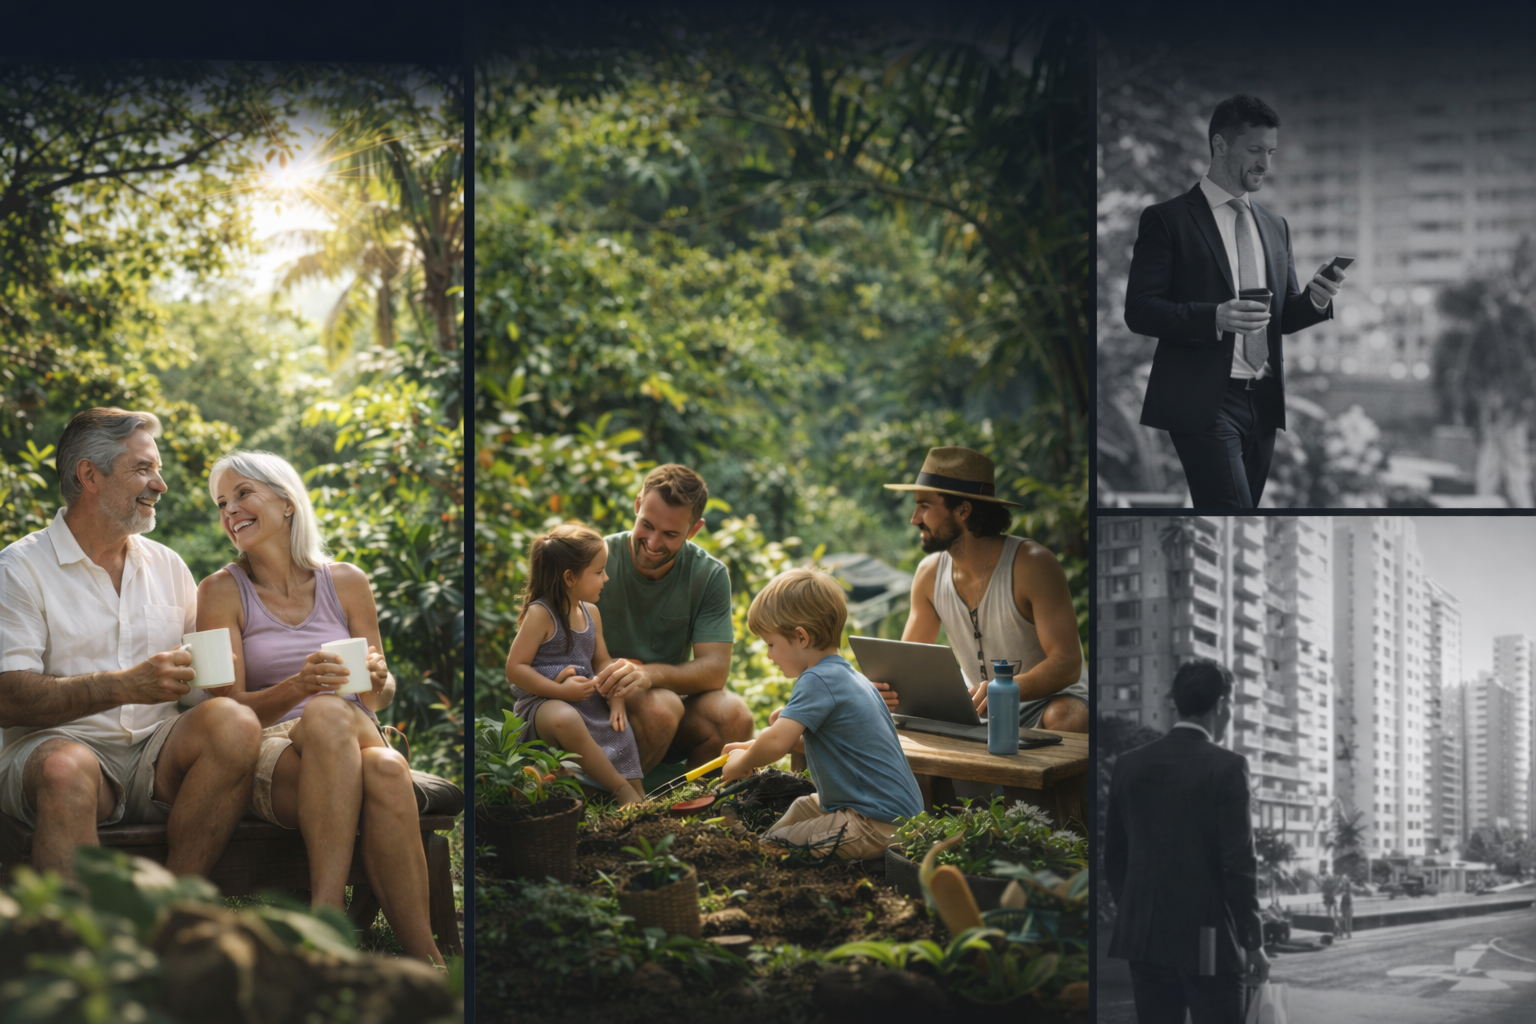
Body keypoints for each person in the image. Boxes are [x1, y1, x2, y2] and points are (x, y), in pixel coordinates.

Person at [194, 450, 443, 965]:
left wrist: (380, 679)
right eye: (221, 503)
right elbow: (228, 712)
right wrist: (298, 687)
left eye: (243, 494)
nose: (230, 510)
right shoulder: (219, 591)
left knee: (342, 724)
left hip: (352, 729)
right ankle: (347, 931)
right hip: (272, 748)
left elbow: (376, 696)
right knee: (377, 759)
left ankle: (408, 956)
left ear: (287, 503)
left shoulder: (346, 581)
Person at [0, 409, 261, 879]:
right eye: (143, 469)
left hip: (156, 756)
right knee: (65, 769)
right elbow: (8, 698)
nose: (160, 484)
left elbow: (204, 691)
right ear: (89, 476)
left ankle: (174, 905)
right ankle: (75, 926)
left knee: (234, 723)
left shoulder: (168, 565)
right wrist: (125, 685)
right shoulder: (18, 569)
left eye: (157, 470)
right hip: (57, 748)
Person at [1124, 94, 1345, 508]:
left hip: (1263, 402)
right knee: (1233, 514)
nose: (1265, 164)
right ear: (1220, 144)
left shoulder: (1276, 226)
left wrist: (1315, 302)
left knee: (1235, 523)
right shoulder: (1168, 219)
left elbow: (1282, 317)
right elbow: (1139, 310)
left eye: (1271, 152)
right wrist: (1215, 317)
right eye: (1255, 150)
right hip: (1203, 401)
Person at [873, 447, 1088, 733]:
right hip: (979, 711)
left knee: (1069, 716)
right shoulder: (929, 575)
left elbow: (1067, 663)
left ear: (963, 510)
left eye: (924, 506)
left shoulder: (1033, 564)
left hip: (1047, 704)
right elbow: (907, 666)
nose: (914, 519)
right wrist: (885, 688)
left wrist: (1005, 688)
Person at [1106, 659, 1268, 1024]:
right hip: (1208, 942)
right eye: (1232, 704)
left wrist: (1136, 912)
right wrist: (1253, 944)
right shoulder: (1228, 767)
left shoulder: (1128, 764)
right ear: (1221, 704)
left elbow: (1115, 857)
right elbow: (1238, 865)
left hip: (1143, 938)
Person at [721, 568, 922, 860]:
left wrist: (742, 763)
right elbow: (812, 742)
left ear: (801, 637)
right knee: (804, 806)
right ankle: (767, 841)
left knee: (772, 852)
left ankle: (769, 849)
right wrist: (753, 747)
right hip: (892, 815)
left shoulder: (817, 680)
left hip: (873, 823)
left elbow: (776, 742)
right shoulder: (847, 676)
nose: (769, 655)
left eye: (771, 644)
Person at [588, 465, 754, 772]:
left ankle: (680, 799)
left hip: (666, 705)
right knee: (661, 708)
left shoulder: (708, 574)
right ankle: (608, 796)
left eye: (670, 534)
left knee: (735, 717)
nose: (653, 543)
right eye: (647, 525)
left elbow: (715, 670)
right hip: (592, 700)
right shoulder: (594, 558)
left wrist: (648, 675)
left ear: (694, 530)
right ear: (637, 505)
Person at [505, 523, 643, 804]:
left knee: (619, 728)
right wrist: (560, 691)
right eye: (598, 572)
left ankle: (638, 795)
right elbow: (515, 668)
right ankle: (621, 790)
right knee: (566, 718)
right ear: (570, 577)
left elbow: (602, 662)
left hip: (587, 702)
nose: (606, 578)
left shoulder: (591, 612)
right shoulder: (541, 614)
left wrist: (616, 696)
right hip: (543, 704)